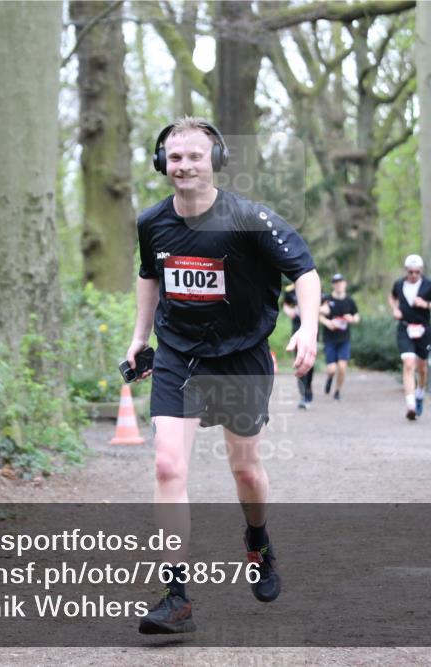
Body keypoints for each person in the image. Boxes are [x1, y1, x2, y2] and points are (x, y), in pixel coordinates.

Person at [125, 116, 320, 634]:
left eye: (193, 155)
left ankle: (258, 539)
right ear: (161, 162)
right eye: (174, 156)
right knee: (168, 467)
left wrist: (309, 329)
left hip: (241, 355)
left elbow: (304, 270)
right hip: (179, 354)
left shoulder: (250, 218)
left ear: (215, 161)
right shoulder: (152, 222)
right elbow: (150, 275)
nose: (183, 165)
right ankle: (176, 597)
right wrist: (140, 338)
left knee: (246, 472)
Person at [388, 254, 431, 420]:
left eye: (417, 272)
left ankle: (420, 393)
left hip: (423, 330)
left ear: (421, 271)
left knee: (422, 368)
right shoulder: (399, 284)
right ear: (406, 271)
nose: (414, 275)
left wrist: (426, 304)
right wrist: (395, 309)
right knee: (408, 364)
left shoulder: (429, 285)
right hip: (405, 328)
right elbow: (392, 297)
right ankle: (411, 404)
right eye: (411, 272)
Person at [319, 273, 360, 401]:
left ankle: (337, 391)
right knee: (332, 369)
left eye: (340, 282)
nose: (338, 285)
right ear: (333, 285)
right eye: (336, 283)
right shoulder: (327, 299)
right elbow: (318, 314)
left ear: (345, 284)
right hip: (330, 339)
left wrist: (352, 319)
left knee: (342, 367)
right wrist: (328, 323)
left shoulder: (349, 301)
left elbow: (357, 317)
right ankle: (330, 378)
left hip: (344, 339)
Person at [282, 283, 317, 410]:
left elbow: (323, 304)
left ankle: (308, 387)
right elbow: (285, 304)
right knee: (300, 361)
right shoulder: (290, 290)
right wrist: (289, 311)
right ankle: (303, 395)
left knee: (310, 363)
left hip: (311, 330)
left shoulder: (312, 285)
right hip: (297, 330)